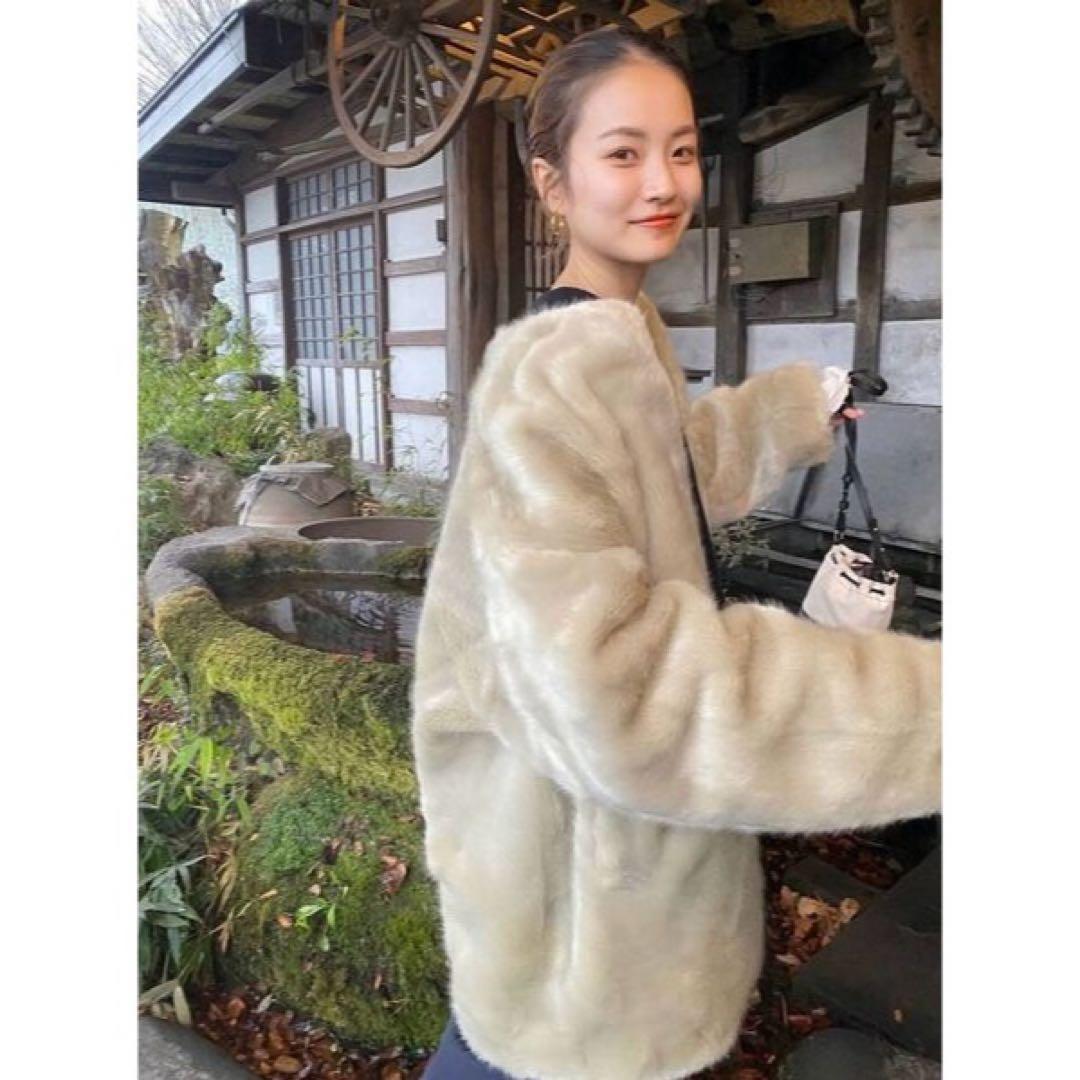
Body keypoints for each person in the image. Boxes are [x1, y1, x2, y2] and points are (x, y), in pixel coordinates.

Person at [412, 24, 940, 1080]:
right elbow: (619, 690)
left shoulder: (617, 334)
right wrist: (931, 703)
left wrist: (790, 412)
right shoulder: (553, 377)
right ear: (553, 185)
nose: (664, 182)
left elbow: (660, 474)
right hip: (578, 902)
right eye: (622, 152)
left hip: (602, 866)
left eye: (684, 149)